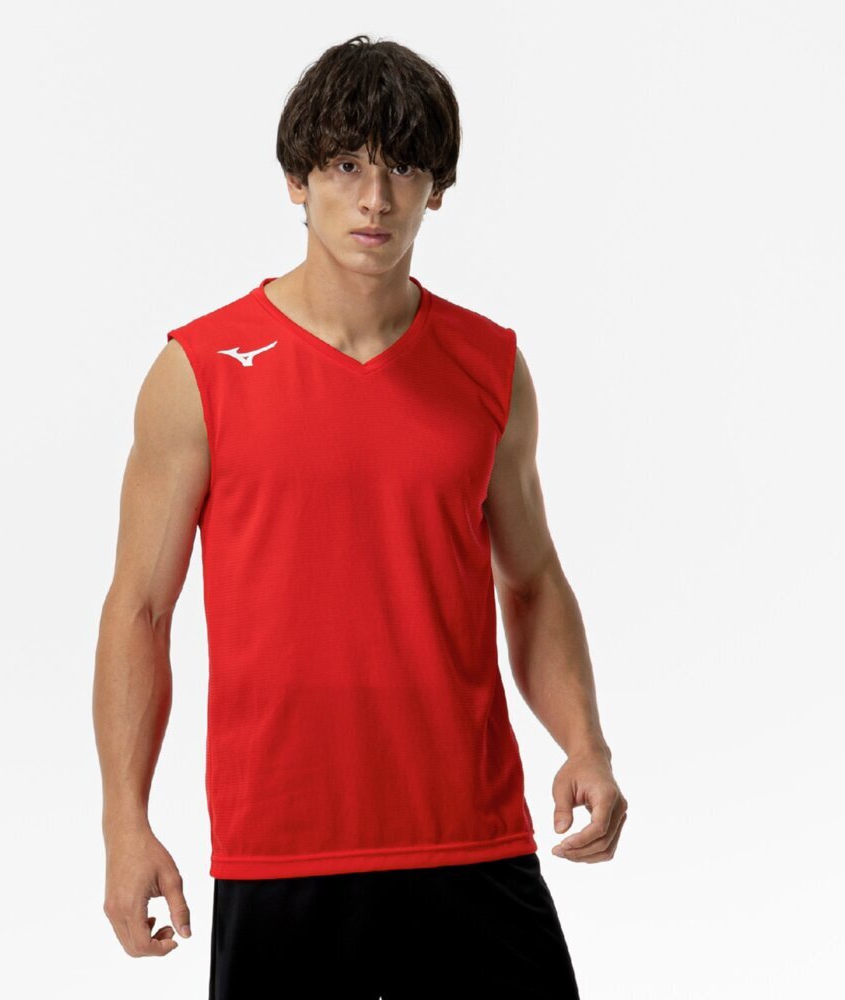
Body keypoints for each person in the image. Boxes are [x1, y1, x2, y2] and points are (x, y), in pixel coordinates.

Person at [93, 33, 627, 999]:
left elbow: (533, 580)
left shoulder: (489, 365)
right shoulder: (200, 372)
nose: (375, 199)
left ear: (437, 190)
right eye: (346, 166)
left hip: (470, 838)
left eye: (404, 168)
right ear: (297, 180)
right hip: (280, 850)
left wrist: (584, 742)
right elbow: (140, 609)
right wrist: (124, 825)